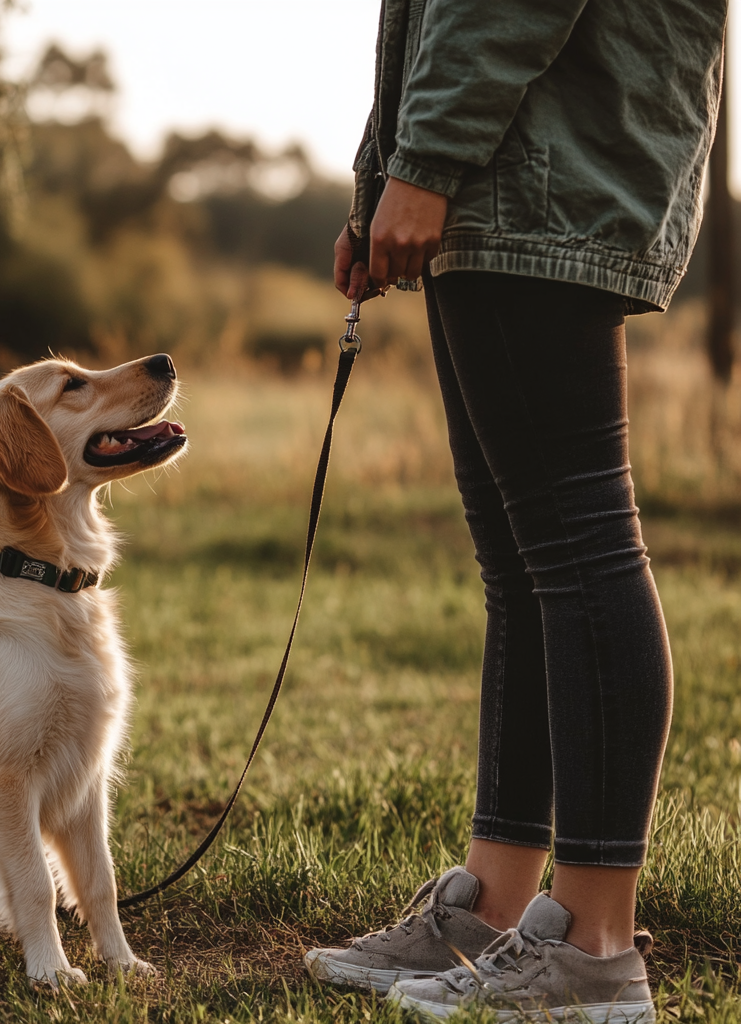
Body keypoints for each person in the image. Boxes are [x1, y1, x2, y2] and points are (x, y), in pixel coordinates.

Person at [304, 1, 729, 1020]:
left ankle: (592, 947)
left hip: (540, 165)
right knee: (525, 562)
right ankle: (491, 909)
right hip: (511, 168)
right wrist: (385, 181)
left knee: (579, 546)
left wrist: (427, 162)